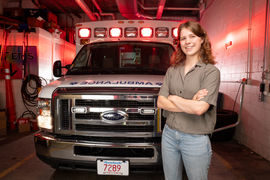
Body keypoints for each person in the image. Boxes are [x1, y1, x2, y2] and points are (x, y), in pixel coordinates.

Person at [157, 21, 220, 180]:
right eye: (183, 38)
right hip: (169, 135)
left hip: (195, 138)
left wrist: (174, 98)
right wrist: (189, 102)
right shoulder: (172, 70)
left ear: (202, 39)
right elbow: (160, 102)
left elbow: (199, 109)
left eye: (192, 36)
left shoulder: (211, 72)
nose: (187, 42)